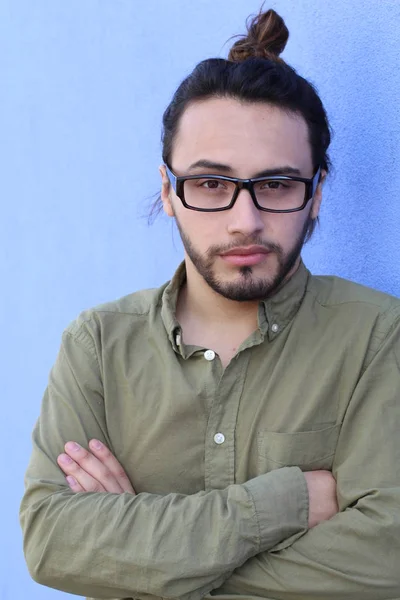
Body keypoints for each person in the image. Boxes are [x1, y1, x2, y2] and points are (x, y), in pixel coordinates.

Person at [20, 7, 400, 600]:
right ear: (169, 192)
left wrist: (140, 563)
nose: (244, 221)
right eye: (211, 185)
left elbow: (387, 558)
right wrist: (282, 504)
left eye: (276, 184)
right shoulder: (97, 343)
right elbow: (50, 540)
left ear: (317, 193)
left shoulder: (380, 336)